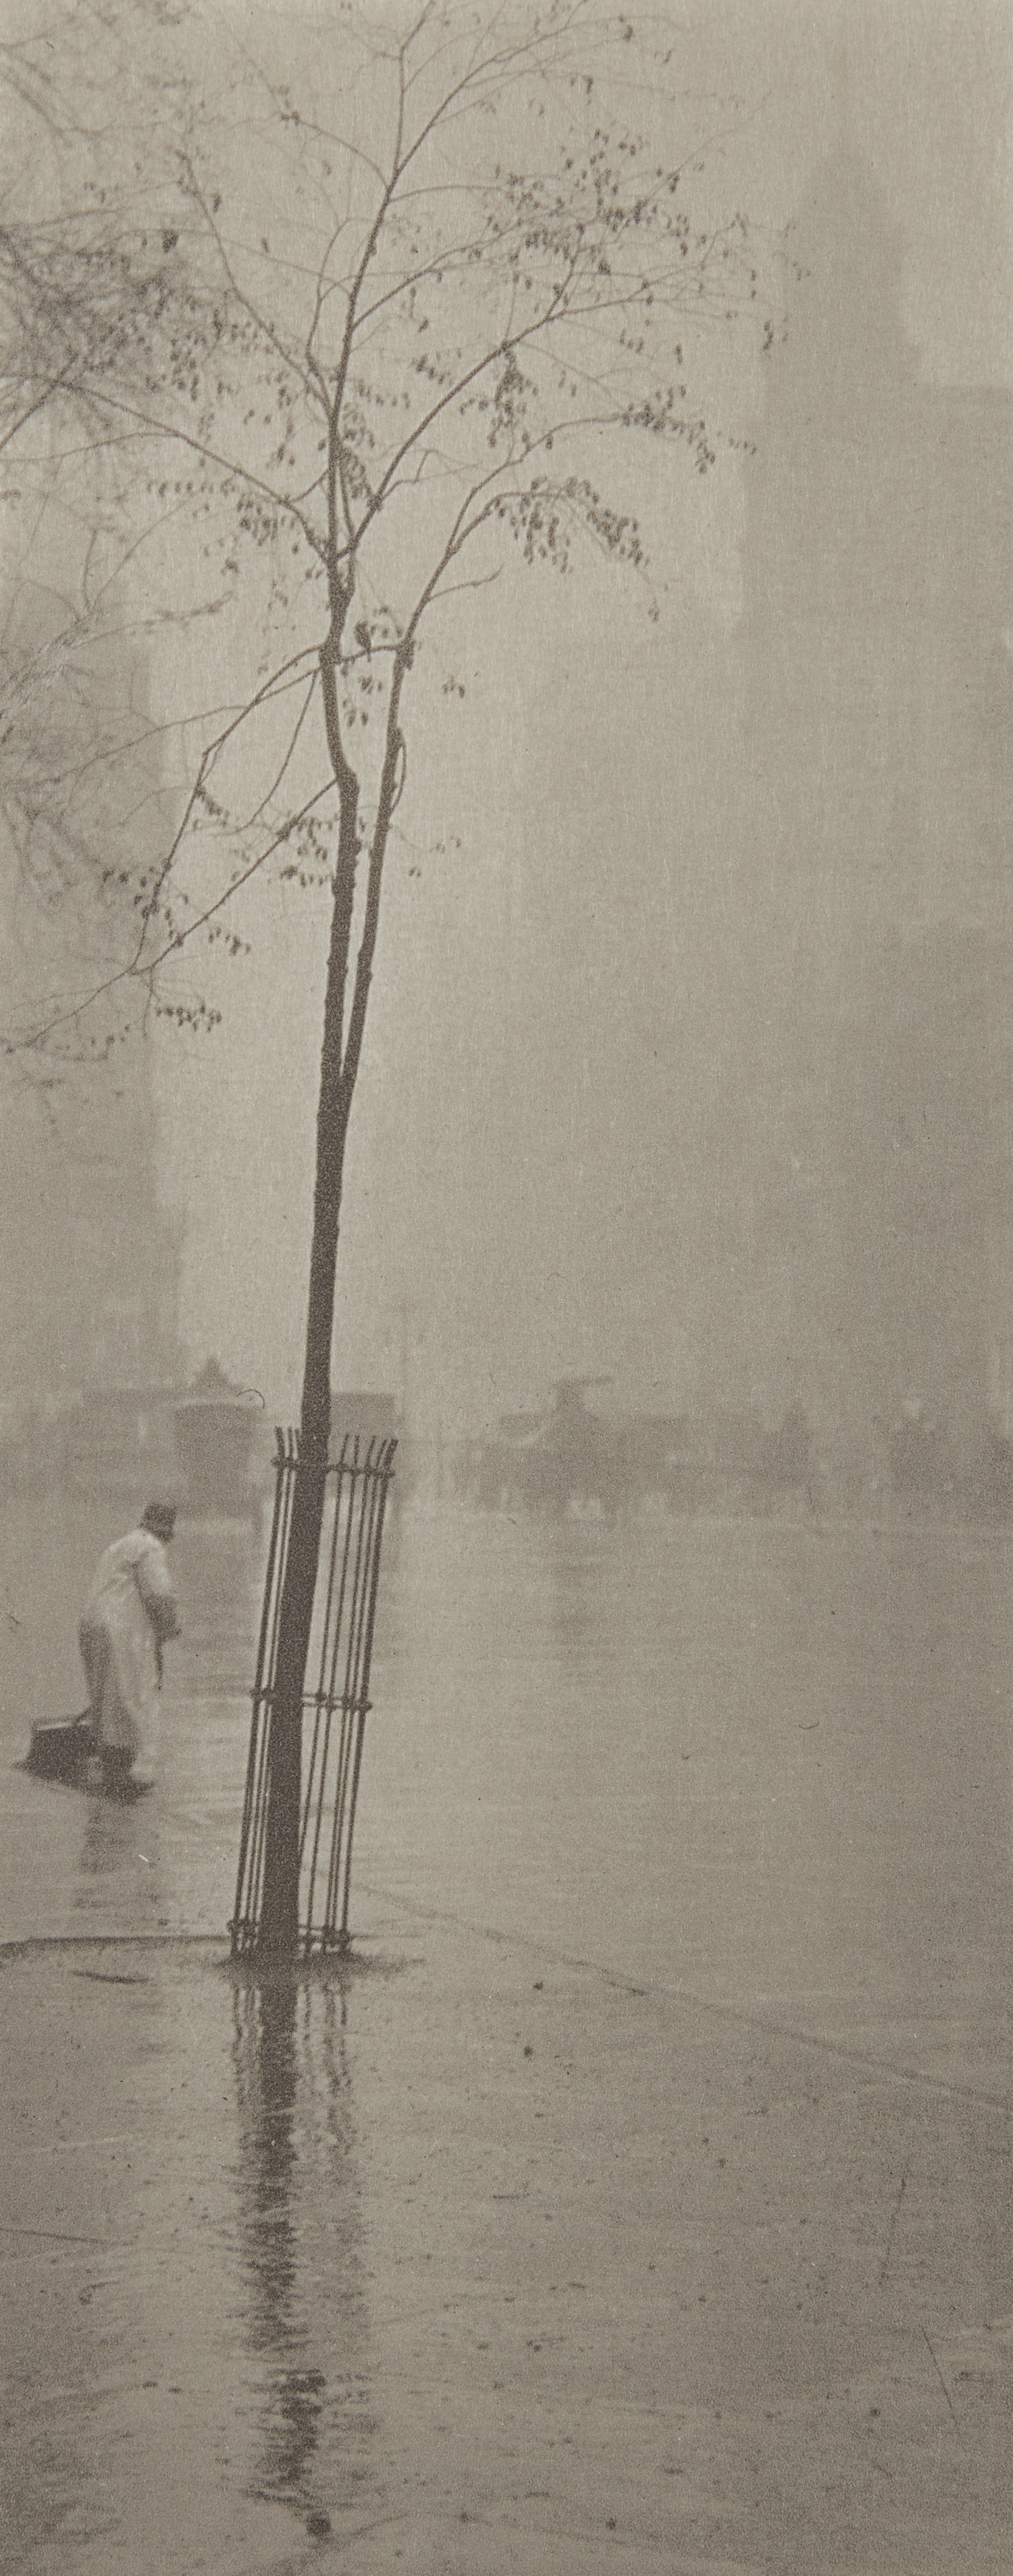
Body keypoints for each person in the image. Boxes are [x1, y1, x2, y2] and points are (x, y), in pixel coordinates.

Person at [78, 1502, 181, 1796]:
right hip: (122, 1628)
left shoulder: (118, 1546)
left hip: (93, 1623)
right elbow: (159, 1594)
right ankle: (120, 1771)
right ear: (165, 1530)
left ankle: (107, 1760)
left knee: (105, 1693)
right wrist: (170, 1629)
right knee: (131, 1693)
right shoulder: (151, 1548)